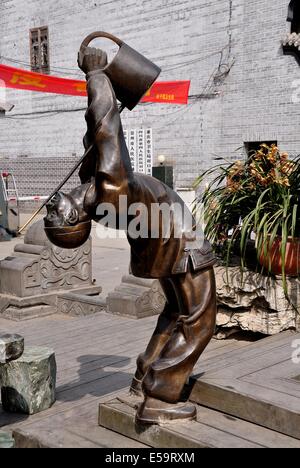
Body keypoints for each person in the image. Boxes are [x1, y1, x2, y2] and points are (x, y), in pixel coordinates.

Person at [44, 47, 217, 425]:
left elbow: (98, 130)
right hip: (178, 237)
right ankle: (161, 395)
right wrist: (96, 75)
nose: (50, 208)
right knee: (201, 321)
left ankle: (145, 377)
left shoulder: (93, 183)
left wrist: (97, 93)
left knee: (176, 312)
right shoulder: (110, 188)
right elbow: (106, 122)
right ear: (75, 217)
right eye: (55, 215)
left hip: (160, 239)